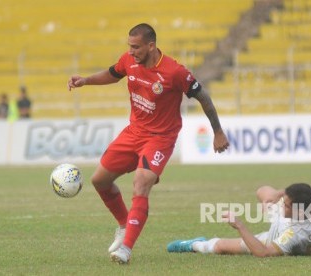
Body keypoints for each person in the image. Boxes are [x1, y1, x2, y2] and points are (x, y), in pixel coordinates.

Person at [67, 23, 229, 264]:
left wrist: (217, 132)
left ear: (151, 46)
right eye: (129, 47)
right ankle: (124, 225)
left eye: (136, 47)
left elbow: (203, 97)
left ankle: (126, 249)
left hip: (161, 138)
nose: (131, 52)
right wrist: (86, 81)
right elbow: (113, 74)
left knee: (141, 182)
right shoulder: (128, 60)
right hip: (134, 132)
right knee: (99, 180)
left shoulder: (175, 72)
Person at [167, 183, 311, 257]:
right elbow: (304, 191)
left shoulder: (295, 234)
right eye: (284, 202)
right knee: (264, 193)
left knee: (220, 246)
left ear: (298, 209)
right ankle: (272, 198)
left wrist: (239, 225)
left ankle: (193, 244)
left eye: (286, 205)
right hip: (293, 224)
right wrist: (278, 195)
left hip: (272, 240)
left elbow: (263, 252)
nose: (282, 206)